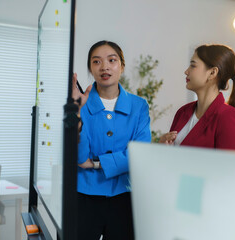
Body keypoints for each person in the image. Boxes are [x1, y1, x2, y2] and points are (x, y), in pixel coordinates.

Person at [72, 40, 151, 240]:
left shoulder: (138, 106)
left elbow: (139, 153)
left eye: (112, 60)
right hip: (84, 197)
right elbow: (80, 158)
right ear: (90, 68)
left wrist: (95, 163)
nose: (105, 67)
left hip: (124, 198)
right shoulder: (81, 104)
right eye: (96, 62)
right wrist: (77, 116)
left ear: (121, 66)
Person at [159, 44, 235, 150]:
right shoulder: (182, 112)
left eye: (193, 66)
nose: (186, 71)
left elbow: (231, 165)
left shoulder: (227, 117)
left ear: (212, 72)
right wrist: (162, 148)